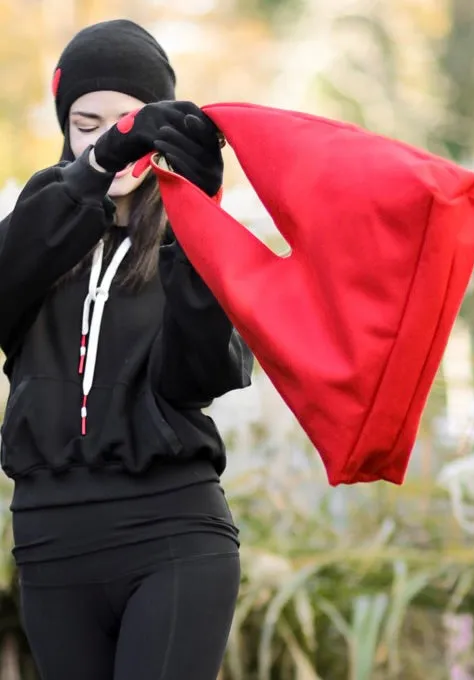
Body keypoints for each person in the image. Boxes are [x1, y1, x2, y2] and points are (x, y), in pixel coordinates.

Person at [0, 18, 253, 680]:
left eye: (131, 122)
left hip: (172, 532)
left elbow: (202, 374)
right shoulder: (39, 222)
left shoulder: (185, 231)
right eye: (89, 123)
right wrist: (97, 164)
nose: (114, 137)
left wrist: (203, 228)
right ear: (66, 127)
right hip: (51, 541)